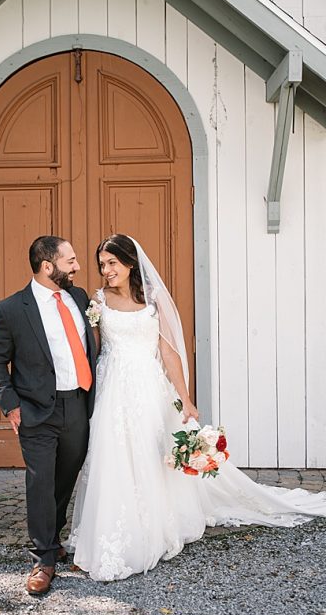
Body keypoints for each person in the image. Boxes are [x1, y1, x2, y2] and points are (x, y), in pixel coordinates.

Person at [67, 233, 326, 581]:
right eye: (102, 265)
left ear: (130, 263)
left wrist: (185, 399)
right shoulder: (98, 301)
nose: (106, 270)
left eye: (112, 263)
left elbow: (170, 354)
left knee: (149, 455)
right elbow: (91, 350)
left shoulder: (152, 302)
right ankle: (111, 533)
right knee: (112, 457)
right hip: (112, 390)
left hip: (148, 388)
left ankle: (153, 523)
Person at [0, 236, 98, 596]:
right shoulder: (12, 309)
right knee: (40, 481)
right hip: (36, 410)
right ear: (48, 266)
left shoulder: (79, 298)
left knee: (66, 475)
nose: (77, 267)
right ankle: (43, 559)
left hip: (78, 403)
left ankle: (53, 534)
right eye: (71, 261)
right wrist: (11, 404)